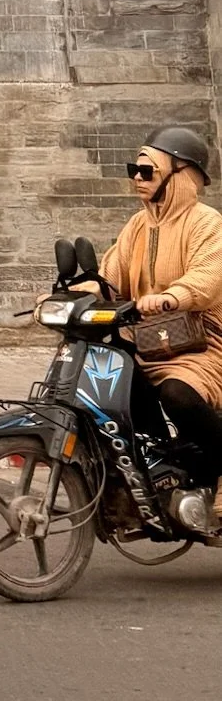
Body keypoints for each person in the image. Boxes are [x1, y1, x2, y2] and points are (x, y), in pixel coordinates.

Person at [97, 125, 222, 485]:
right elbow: (110, 276)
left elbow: (208, 279)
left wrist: (172, 296)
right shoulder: (138, 225)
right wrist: (75, 291)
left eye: (147, 170)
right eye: (132, 170)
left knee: (177, 393)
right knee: (110, 379)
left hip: (202, 345)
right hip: (148, 343)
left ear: (182, 176)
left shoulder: (207, 223)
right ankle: (162, 467)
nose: (137, 178)